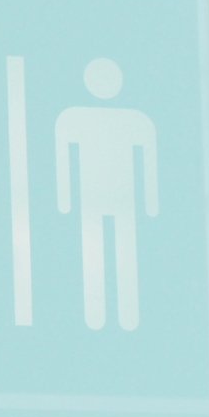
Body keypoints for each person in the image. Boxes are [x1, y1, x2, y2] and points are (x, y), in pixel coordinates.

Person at [55, 58, 157, 330]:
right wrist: (65, 199)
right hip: (91, 198)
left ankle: (127, 315)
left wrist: (150, 202)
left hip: (123, 198)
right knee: (93, 253)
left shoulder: (135, 121)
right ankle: (96, 315)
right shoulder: (74, 118)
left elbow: (146, 161)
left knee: (124, 254)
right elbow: (65, 159)